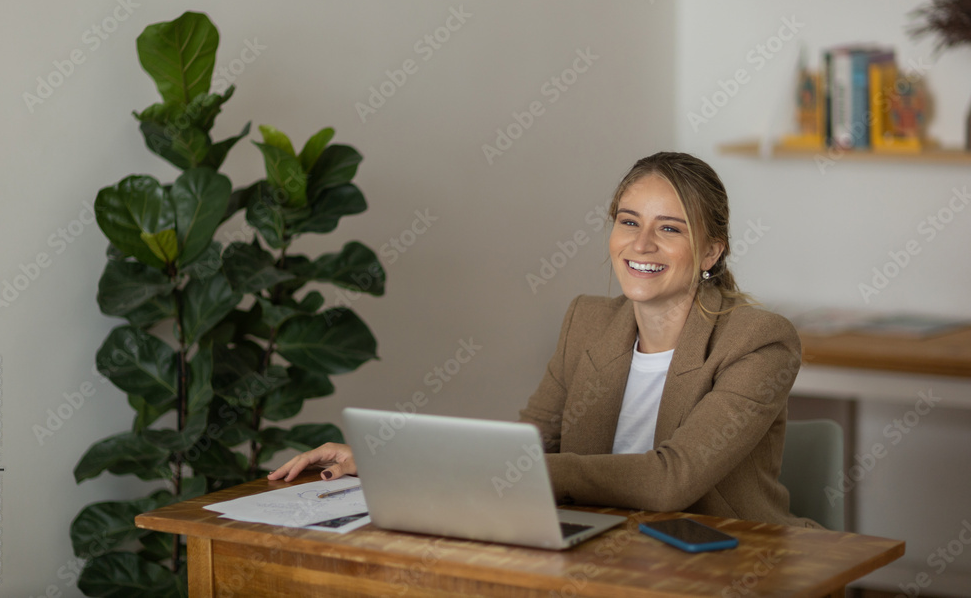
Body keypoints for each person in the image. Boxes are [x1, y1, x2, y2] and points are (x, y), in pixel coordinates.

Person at [269, 152, 816, 528]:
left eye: (670, 228)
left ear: (712, 252)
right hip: (599, 548)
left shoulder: (760, 341)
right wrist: (385, 459)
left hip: (722, 566)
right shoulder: (587, 321)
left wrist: (518, 473)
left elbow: (668, 482)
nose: (641, 243)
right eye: (629, 222)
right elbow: (522, 449)